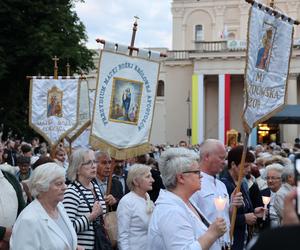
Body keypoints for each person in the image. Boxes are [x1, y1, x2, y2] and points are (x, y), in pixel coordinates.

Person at [148, 147, 227, 250]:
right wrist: (212, 234)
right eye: (197, 172)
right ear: (181, 178)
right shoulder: (171, 211)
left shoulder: (187, 201)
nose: (201, 176)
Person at [10, 163, 80, 250]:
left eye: (64, 182)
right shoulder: (28, 219)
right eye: (59, 184)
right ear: (42, 187)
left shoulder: (59, 207)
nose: (65, 187)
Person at [191, 139, 244, 248]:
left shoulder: (221, 185)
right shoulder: (194, 184)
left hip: (225, 244)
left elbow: (223, 215)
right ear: (206, 157)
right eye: (221, 158)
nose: (225, 162)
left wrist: (232, 205)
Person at [221, 145, 265, 250]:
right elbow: (221, 217)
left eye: (249, 165)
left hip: (243, 239)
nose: (249, 169)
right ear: (233, 165)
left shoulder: (243, 182)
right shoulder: (224, 185)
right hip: (231, 240)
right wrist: (244, 218)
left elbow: (245, 208)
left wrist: (254, 212)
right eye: (245, 166)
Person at [63, 148, 107, 250]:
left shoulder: (96, 187)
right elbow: (68, 229)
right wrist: (92, 216)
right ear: (77, 168)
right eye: (88, 162)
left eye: (94, 161)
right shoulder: (71, 192)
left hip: (100, 245)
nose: (94, 166)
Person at [117, 164, 154, 250]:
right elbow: (122, 236)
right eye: (147, 177)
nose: (152, 180)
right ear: (136, 181)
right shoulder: (127, 202)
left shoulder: (147, 197)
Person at [0, 142, 25, 250]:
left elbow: (23, 211)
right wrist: (3, 233)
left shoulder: (10, 178)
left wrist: (13, 234)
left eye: (0, 151)